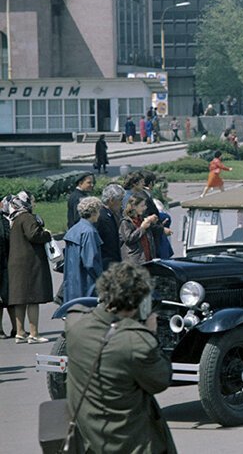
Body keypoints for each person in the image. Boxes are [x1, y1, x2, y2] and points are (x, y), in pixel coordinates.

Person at [65, 262, 176, 453]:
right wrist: (151, 333)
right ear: (138, 303)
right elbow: (161, 380)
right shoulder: (136, 343)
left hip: (89, 441)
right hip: (130, 444)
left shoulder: (75, 323)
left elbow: (81, 312)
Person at [7, 191, 52, 344]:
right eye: (32, 201)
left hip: (17, 263)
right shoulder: (27, 217)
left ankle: (20, 332)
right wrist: (46, 234)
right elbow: (34, 235)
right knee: (33, 298)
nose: (34, 204)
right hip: (30, 264)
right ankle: (34, 333)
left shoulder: (15, 218)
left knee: (20, 299)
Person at [63, 197, 104, 303]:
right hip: (86, 283)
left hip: (72, 282)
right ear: (94, 212)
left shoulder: (74, 229)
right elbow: (90, 262)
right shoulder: (89, 232)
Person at [119, 194, 158, 265]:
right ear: (134, 206)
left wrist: (152, 222)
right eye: (142, 206)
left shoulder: (141, 219)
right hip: (134, 261)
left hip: (147, 258)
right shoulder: (126, 222)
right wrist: (142, 228)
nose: (145, 208)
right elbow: (129, 239)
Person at [97, 183, 124, 269]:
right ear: (111, 200)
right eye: (120, 200)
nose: (122, 203)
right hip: (107, 261)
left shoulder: (111, 214)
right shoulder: (102, 217)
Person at [0, 198, 13, 338]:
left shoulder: (4, 219)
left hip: (5, 263)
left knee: (9, 298)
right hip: (3, 262)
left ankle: (16, 328)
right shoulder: (3, 220)